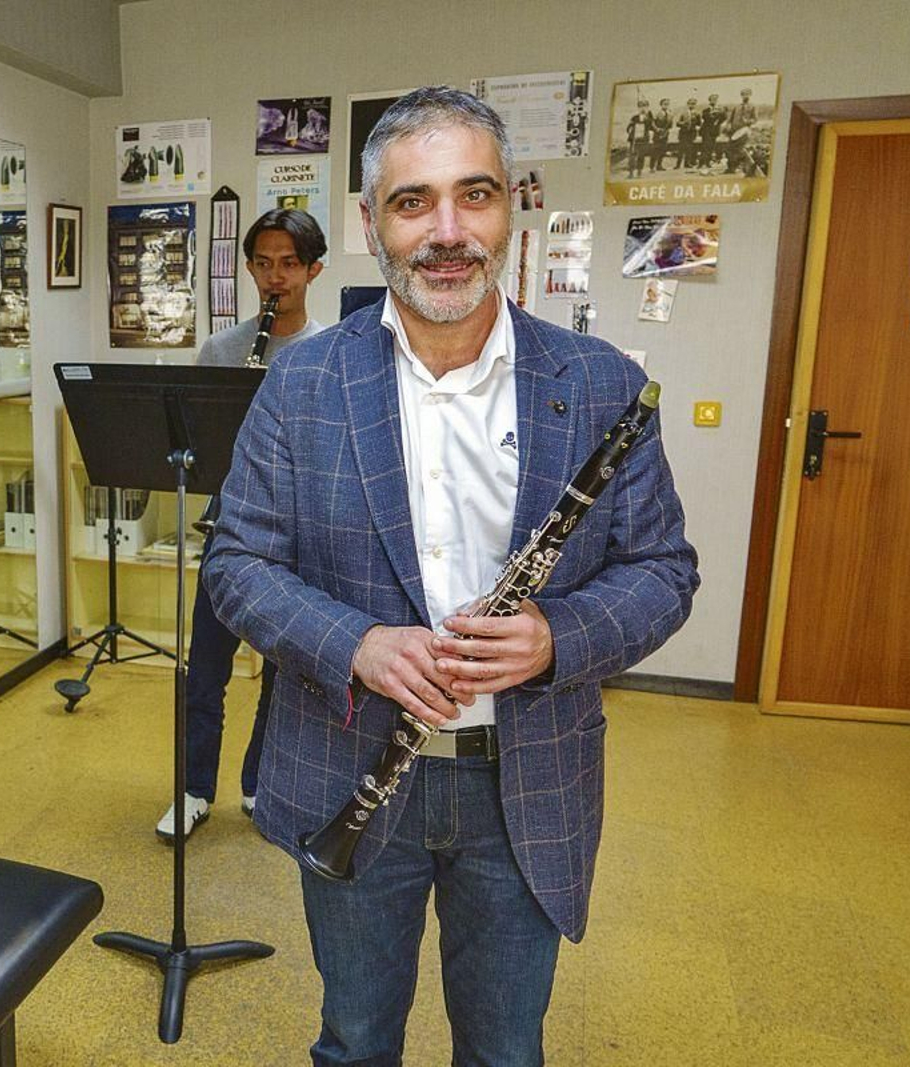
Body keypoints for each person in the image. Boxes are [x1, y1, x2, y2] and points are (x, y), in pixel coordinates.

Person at [202, 87, 698, 1066]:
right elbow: (237, 562)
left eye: (473, 195)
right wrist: (355, 643)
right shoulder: (300, 381)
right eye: (411, 201)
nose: (445, 231)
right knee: (354, 1039)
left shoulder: (598, 380)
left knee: (505, 1048)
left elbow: (662, 569)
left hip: (525, 780)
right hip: (347, 765)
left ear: (510, 208)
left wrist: (555, 635)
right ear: (369, 223)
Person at [156, 208, 327, 842]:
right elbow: (201, 450)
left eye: (288, 264)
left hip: (299, 541)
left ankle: (259, 783)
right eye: (262, 264)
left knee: (283, 675)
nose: (274, 277)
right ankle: (194, 789)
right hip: (231, 532)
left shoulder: (330, 352)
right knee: (205, 669)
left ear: (313, 270)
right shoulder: (221, 350)